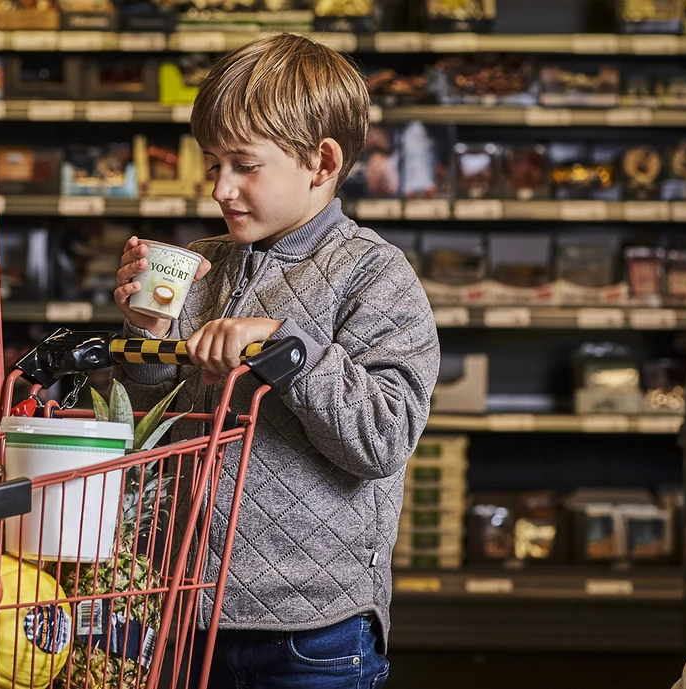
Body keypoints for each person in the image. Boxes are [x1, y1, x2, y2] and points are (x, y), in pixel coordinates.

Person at [112, 32, 440, 689]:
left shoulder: (375, 276)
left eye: (244, 164)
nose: (221, 189)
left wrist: (287, 347)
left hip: (314, 627)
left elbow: (383, 437)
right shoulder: (204, 268)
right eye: (213, 165)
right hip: (184, 612)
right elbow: (146, 423)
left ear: (320, 163)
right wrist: (144, 334)